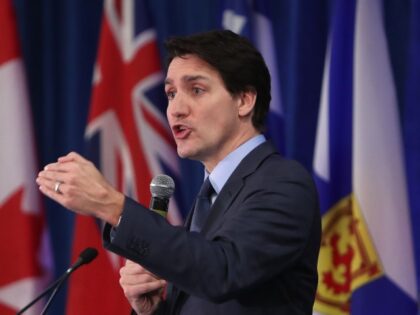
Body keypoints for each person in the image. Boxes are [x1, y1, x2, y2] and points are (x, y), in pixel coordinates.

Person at [37, 30, 321, 315]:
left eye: (196, 90)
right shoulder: (208, 201)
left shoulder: (283, 182)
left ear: (244, 100)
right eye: (171, 94)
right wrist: (153, 310)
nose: (175, 109)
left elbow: (222, 271)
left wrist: (110, 204)